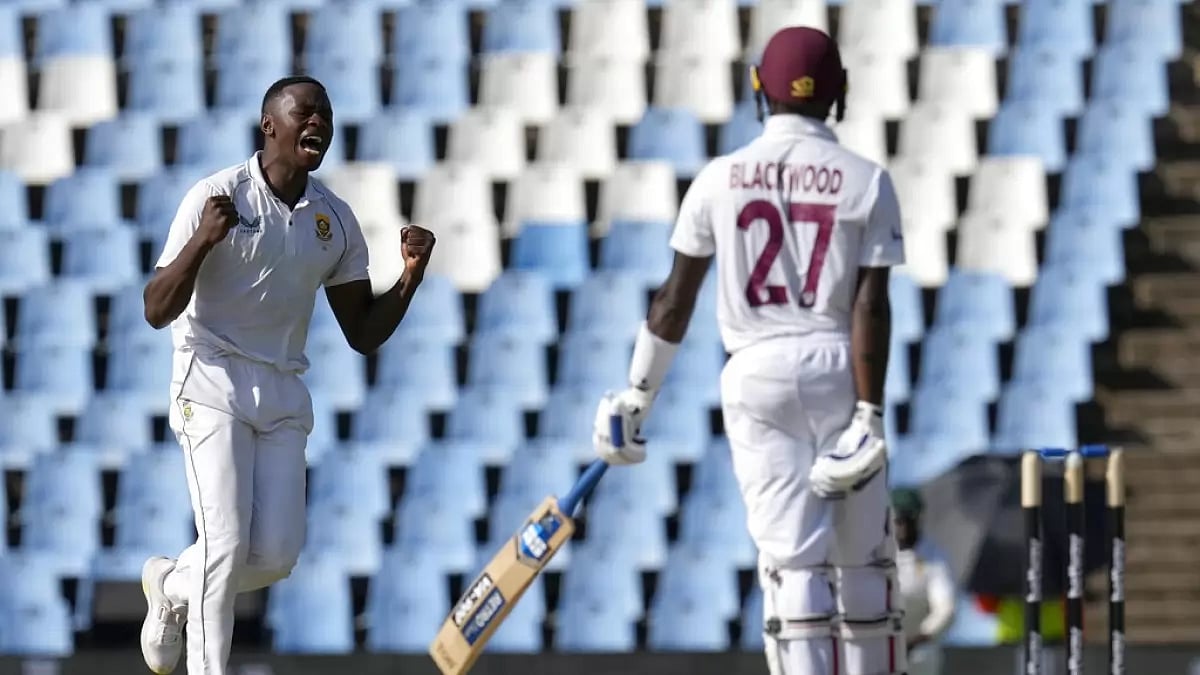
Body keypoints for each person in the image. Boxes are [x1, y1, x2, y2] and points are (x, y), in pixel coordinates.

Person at [592, 26, 907, 675]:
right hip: (837, 365)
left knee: (793, 567)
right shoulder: (867, 180)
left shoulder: (718, 178)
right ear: (840, 92)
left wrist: (637, 394)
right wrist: (869, 412)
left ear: (758, 89)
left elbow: (673, 300)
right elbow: (870, 306)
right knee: (862, 567)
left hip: (754, 371)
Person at [138, 75, 436, 675]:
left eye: (325, 115)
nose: (318, 124)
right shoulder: (215, 195)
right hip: (210, 376)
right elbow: (156, 308)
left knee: (273, 556)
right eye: (306, 113)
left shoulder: (334, 219)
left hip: (281, 388)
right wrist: (202, 240)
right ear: (269, 125)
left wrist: (408, 278)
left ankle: (170, 586)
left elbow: (362, 333)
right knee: (223, 546)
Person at [891, 489, 957, 675]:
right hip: (881, 646)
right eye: (898, 521)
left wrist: (918, 637)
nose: (903, 528)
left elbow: (945, 608)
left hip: (919, 651)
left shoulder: (934, 556)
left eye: (908, 520)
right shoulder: (876, 554)